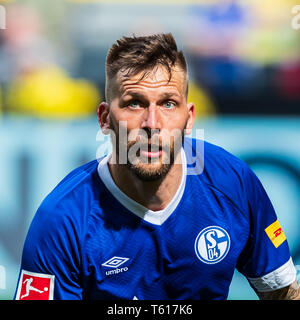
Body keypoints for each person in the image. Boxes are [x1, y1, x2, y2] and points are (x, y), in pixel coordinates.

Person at [15, 33, 299, 300]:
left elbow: (283, 291)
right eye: (134, 103)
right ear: (104, 119)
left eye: (167, 104)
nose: (152, 123)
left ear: (188, 119)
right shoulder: (62, 220)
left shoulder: (233, 184)